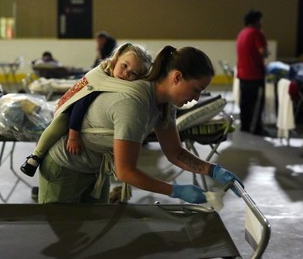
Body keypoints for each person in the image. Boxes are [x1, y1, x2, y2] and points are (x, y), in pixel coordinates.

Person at [38, 45, 243, 204]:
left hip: (95, 168)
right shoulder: (133, 104)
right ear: (177, 77)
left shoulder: (165, 105)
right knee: (63, 240)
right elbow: (125, 172)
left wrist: (213, 170)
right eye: (196, 89)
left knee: (92, 235)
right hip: (65, 167)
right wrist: (175, 191)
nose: (197, 99)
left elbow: (175, 153)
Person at [20, 43, 153, 177]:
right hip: (73, 111)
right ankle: (35, 156)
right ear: (116, 58)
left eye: (133, 73)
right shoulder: (101, 77)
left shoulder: (124, 86)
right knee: (59, 123)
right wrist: (73, 136)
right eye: (124, 65)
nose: (125, 73)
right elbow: (80, 105)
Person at [236, 9, 269, 135]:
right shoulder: (257, 33)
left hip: (242, 73)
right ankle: (256, 128)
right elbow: (263, 52)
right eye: (260, 20)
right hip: (255, 74)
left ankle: (245, 126)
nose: (261, 23)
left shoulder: (242, 33)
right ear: (256, 21)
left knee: (245, 102)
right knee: (257, 104)